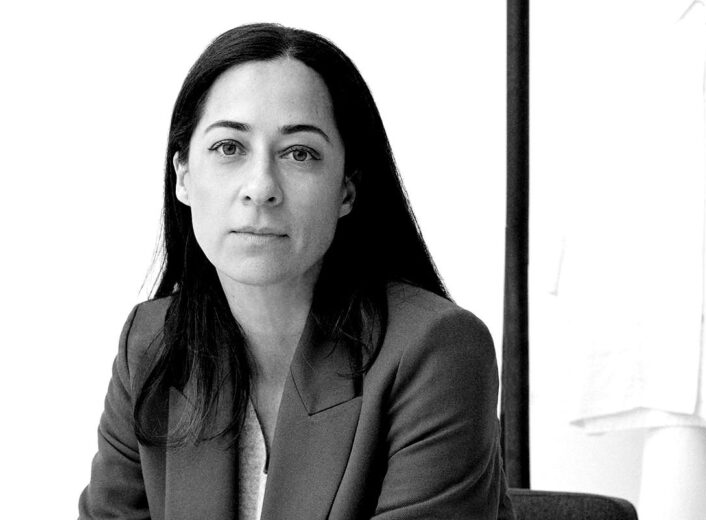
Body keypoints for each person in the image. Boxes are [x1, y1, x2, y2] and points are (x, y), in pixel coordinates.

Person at [78, 23, 513, 519]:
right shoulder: (151, 344)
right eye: (229, 148)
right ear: (183, 176)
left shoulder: (436, 350)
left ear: (346, 190)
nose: (260, 187)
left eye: (299, 153)